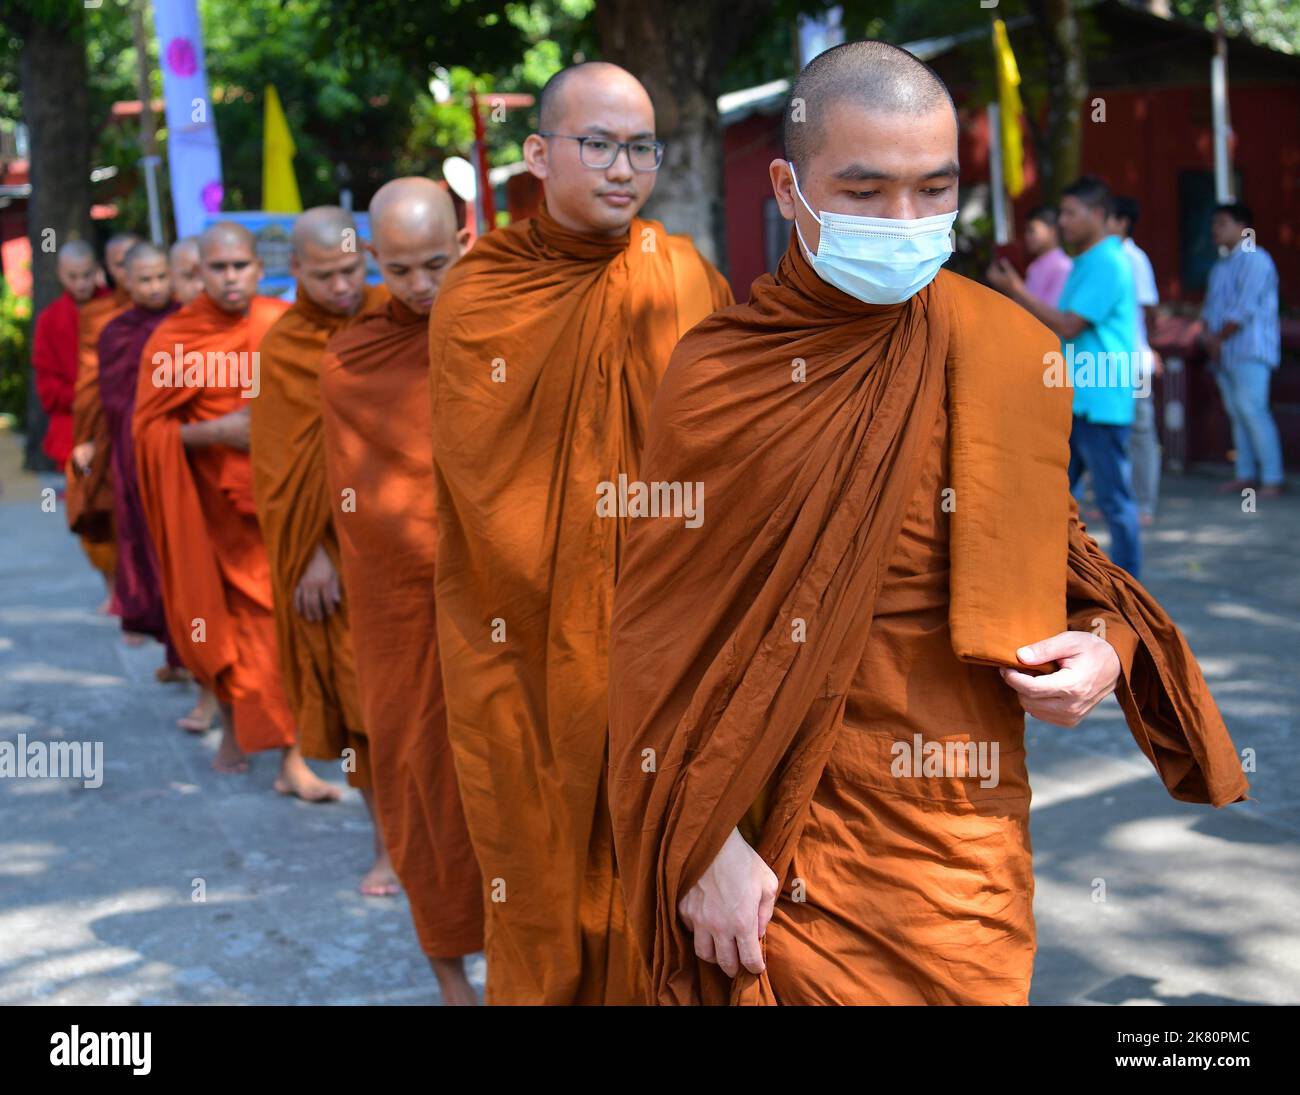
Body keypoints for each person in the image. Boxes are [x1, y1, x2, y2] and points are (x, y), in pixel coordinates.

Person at [608, 40, 1248, 1007]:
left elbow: (1066, 559)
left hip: (961, 839)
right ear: (788, 187)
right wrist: (706, 843)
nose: (905, 221)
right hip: (781, 837)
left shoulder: (1004, 346)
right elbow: (657, 630)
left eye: (934, 190)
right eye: (864, 193)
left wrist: (1108, 652)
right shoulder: (725, 373)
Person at [427, 61, 733, 1005]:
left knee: (667, 866)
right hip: (524, 636)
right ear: (536, 153)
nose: (621, 167)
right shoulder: (480, 296)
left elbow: (729, 456)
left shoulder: (683, 277)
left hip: (668, 632)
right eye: (596, 143)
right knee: (548, 850)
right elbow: (487, 493)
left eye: (640, 146)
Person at [319, 178, 482, 1004]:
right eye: (401, 270)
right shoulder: (350, 359)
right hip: (402, 607)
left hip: (499, 597)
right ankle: (448, 969)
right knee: (420, 771)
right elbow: (348, 489)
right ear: (371, 261)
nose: (421, 286)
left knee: (519, 772)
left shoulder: (501, 327)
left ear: (464, 243)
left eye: (436, 265)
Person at [133, 221, 333, 798]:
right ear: (199, 271)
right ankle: (232, 728)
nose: (228, 279)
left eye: (239, 266)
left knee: (284, 633)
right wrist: (218, 430)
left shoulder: (282, 323)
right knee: (218, 627)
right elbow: (146, 433)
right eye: (215, 269)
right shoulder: (177, 338)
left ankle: (292, 759)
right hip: (210, 516)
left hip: (281, 508)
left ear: (259, 265)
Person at [250, 206, 394, 895]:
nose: (343, 285)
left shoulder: (392, 315)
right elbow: (279, 465)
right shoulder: (284, 346)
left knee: (425, 708)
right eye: (325, 274)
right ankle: (386, 847)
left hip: (404, 545)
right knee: (360, 708)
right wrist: (310, 552)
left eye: (351, 269)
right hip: (333, 562)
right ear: (295, 270)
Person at [989, 175, 1142, 578]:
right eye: (1061, 213)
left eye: (1071, 213)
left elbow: (1070, 325)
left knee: (1114, 504)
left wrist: (1015, 289)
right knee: (1057, 498)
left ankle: (1130, 589)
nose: (1063, 221)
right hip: (1078, 398)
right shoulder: (1087, 261)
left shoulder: (1107, 261)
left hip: (1101, 400)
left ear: (1096, 214)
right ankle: (1058, 578)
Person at [67, 231, 141, 606]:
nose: (130, 271)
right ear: (109, 271)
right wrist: (87, 436)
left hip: (152, 430)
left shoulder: (173, 313)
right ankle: (119, 592)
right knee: (107, 510)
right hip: (108, 429)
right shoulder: (97, 316)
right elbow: (89, 382)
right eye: (120, 265)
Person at [1201, 202, 1284, 498]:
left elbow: (1242, 310)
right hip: (1224, 353)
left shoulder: (1256, 259)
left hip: (1250, 351)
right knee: (1238, 414)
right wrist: (1210, 339)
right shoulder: (1221, 266)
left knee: (1254, 412)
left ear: (1242, 226)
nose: (1215, 229)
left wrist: (1217, 339)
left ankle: (1273, 479)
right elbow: (1211, 310)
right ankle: (1246, 475)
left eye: (1222, 223)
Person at [1108, 196, 1161, 524]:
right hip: (1111, 361)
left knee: (1141, 432)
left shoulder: (1134, 259)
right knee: (1116, 433)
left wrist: (1148, 346)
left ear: (1123, 222)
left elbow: (1149, 308)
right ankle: (1120, 498)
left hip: (1135, 361)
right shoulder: (1106, 257)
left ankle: (1144, 504)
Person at [32, 240, 98, 470]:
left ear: (97, 270)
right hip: (70, 425)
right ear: (61, 274)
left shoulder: (114, 307)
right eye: (73, 276)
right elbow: (47, 384)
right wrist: (83, 397)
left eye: (87, 275)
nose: (81, 284)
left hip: (113, 420)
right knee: (81, 502)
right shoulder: (49, 320)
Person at [1022, 205, 1071, 308]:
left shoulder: (1063, 266)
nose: (1027, 237)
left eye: (1032, 231)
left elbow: (1052, 312)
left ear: (1052, 231)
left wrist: (1015, 288)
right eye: (1026, 231)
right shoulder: (1034, 266)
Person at [169, 237, 205, 306]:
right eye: (189, 277)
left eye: (204, 277)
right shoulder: (165, 315)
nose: (200, 286)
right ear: (171, 278)